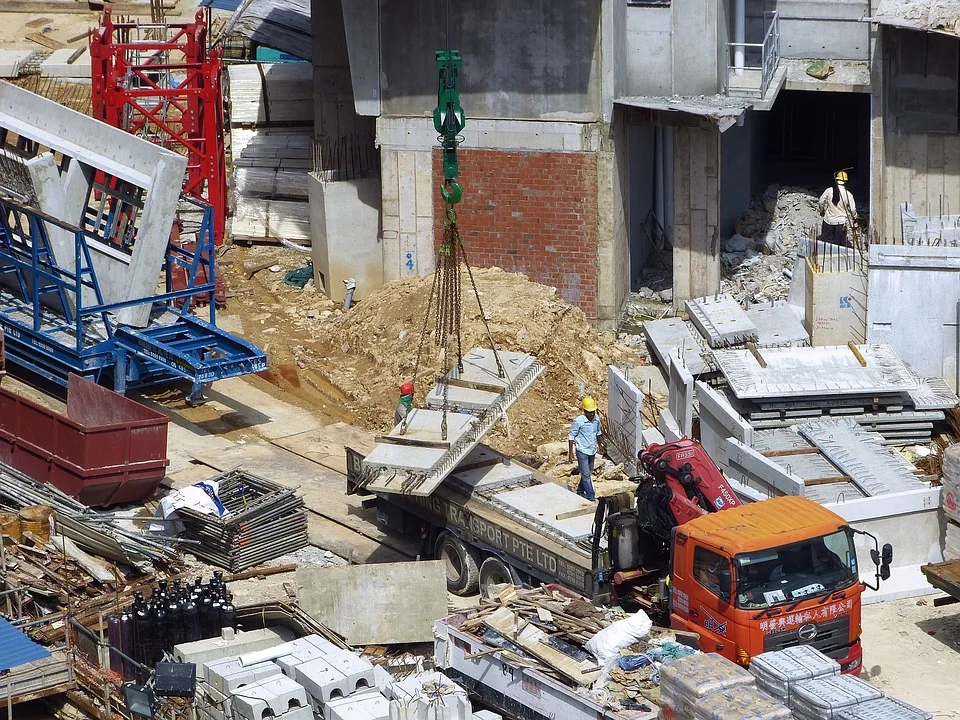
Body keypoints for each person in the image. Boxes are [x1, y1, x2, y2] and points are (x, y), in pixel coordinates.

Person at [568, 396, 605, 501]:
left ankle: (580, 489)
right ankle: (591, 496)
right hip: (582, 451)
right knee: (586, 475)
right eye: (589, 412)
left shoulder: (596, 419)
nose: (592, 414)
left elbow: (598, 433)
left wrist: (600, 445)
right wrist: (570, 453)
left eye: (593, 411)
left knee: (588, 472)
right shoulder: (579, 421)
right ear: (584, 411)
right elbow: (571, 437)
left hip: (592, 450)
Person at [818, 170, 856, 247]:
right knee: (839, 247)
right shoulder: (848, 194)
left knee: (826, 245)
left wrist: (822, 211)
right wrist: (854, 218)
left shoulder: (829, 191)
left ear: (836, 179)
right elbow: (852, 210)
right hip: (840, 223)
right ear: (845, 181)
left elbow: (821, 201)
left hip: (828, 221)